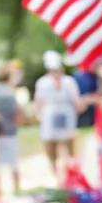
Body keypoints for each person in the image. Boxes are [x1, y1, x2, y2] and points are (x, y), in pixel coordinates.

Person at [34, 50, 83, 183]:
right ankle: (55, 173)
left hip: (66, 113)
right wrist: (38, 114)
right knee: (50, 144)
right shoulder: (43, 82)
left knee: (69, 142)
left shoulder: (68, 81)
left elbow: (75, 99)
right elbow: (39, 100)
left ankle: (71, 171)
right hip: (50, 114)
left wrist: (78, 108)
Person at [0, 62, 24, 198]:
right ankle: (17, 189)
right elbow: (17, 114)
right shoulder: (9, 93)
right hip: (8, 132)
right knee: (12, 163)